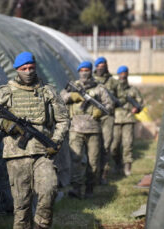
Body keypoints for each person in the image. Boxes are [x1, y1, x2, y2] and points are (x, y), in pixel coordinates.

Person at [0, 51, 69, 229]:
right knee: (22, 205)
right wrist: (6, 125)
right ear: (17, 70)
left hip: (43, 152)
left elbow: (63, 119)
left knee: (49, 190)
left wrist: (56, 141)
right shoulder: (5, 92)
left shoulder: (47, 91)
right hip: (16, 155)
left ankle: (41, 225)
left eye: (31, 68)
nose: (28, 72)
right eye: (24, 68)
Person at [60, 61, 114, 198]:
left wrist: (100, 112)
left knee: (93, 162)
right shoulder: (73, 86)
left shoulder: (99, 88)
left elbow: (109, 105)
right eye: (82, 70)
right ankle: (76, 189)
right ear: (79, 71)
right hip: (75, 128)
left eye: (87, 70)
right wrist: (71, 96)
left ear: (91, 71)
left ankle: (90, 188)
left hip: (93, 129)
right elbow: (59, 99)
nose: (84, 72)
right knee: (76, 159)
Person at [110, 65, 144, 176]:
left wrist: (137, 108)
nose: (123, 76)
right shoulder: (114, 89)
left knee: (127, 144)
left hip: (128, 119)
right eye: (121, 74)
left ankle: (127, 168)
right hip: (115, 120)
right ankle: (117, 164)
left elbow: (140, 102)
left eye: (125, 74)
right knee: (114, 146)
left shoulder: (133, 90)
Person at [93, 57, 119, 185]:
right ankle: (93, 174)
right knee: (93, 146)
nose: (101, 67)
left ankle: (103, 174)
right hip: (93, 116)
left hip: (108, 116)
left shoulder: (113, 82)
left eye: (103, 65)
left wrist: (113, 102)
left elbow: (121, 98)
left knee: (106, 145)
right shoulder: (91, 80)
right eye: (99, 65)